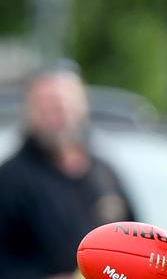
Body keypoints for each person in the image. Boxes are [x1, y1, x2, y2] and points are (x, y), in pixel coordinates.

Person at [0, 61, 136, 279]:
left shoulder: (105, 173)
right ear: (30, 111)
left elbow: (137, 244)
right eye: (47, 106)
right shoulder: (9, 180)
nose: (58, 115)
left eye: (65, 104)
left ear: (82, 105)